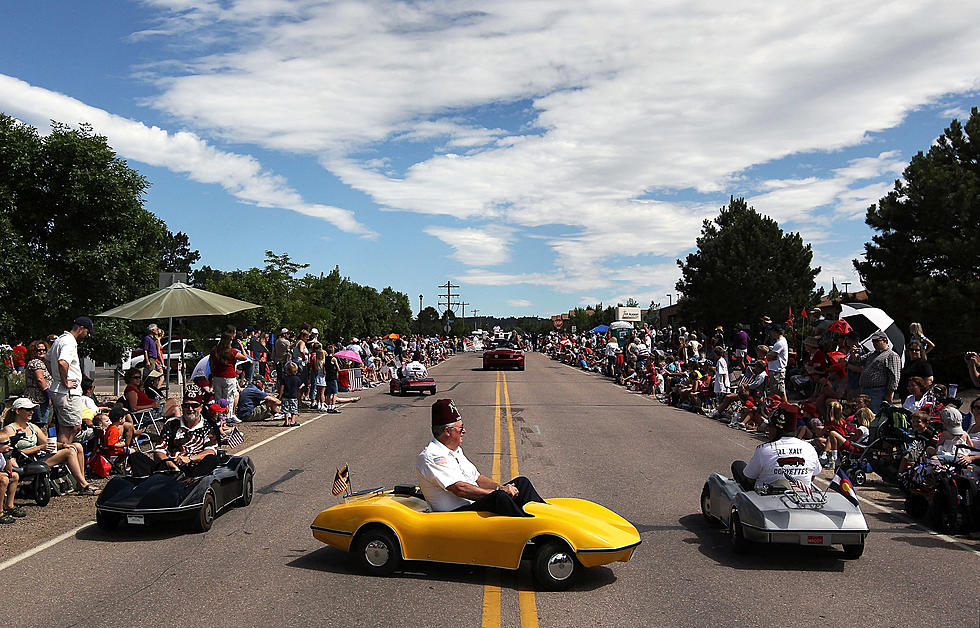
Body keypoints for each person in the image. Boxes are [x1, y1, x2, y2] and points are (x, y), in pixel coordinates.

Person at [416, 399, 544, 516]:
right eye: (461, 428)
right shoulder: (432, 456)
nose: (464, 431)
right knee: (499, 497)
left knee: (522, 483)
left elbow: (477, 478)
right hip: (454, 515)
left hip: (471, 506)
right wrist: (499, 492)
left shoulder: (455, 451)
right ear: (447, 431)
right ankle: (531, 528)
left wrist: (502, 488)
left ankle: (546, 516)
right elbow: (459, 488)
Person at [3, 398, 100, 494]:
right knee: (69, 452)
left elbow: (46, 442)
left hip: (37, 458)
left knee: (77, 446)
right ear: (18, 411)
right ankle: (83, 485)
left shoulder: (32, 427)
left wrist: (64, 445)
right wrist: (39, 448)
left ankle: (81, 483)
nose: (32, 412)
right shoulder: (10, 429)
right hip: (23, 462)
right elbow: (11, 452)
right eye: (28, 409)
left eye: (33, 409)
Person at [731, 403, 823, 491]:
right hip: (801, 495)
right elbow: (812, 476)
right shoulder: (809, 448)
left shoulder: (764, 449)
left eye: (770, 427)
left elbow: (750, 478)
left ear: (776, 429)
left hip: (767, 497)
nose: (768, 431)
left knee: (737, 465)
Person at [152, 384, 220, 475]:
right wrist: (170, 464)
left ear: (201, 407)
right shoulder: (171, 424)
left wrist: (191, 458)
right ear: (182, 406)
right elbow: (159, 450)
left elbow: (211, 451)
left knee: (212, 459)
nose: (190, 409)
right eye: (186, 405)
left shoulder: (208, 427)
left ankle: (192, 483)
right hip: (173, 468)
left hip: (197, 469)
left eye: (194, 405)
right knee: (136, 457)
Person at [47, 316, 94, 446]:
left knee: (66, 426)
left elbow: (47, 359)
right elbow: (62, 362)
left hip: (60, 389)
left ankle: (64, 457)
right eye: (87, 331)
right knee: (73, 428)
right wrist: (64, 380)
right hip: (67, 392)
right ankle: (65, 456)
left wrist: (55, 377)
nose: (87, 335)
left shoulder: (60, 339)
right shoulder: (69, 342)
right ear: (81, 328)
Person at [210, 326, 248, 422]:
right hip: (229, 376)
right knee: (229, 397)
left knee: (218, 397)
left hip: (217, 376)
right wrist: (242, 347)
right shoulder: (232, 351)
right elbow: (244, 357)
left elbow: (211, 364)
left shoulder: (215, 351)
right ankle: (227, 416)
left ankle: (218, 415)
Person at [858, 331, 902, 410]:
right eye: (873, 341)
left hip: (879, 391)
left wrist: (890, 393)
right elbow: (858, 361)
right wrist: (854, 352)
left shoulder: (891, 355)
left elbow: (894, 376)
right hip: (866, 390)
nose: (874, 343)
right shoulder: (871, 354)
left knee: (874, 415)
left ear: (885, 340)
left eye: (877, 341)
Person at [23, 340, 52, 425]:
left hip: (39, 398)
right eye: (39, 350)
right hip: (38, 399)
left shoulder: (42, 362)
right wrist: (48, 394)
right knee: (40, 424)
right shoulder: (36, 362)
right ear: (33, 351)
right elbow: (40, 379)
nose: (42, 352)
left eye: (44, 350)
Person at [0, 433, 23, 523]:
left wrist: (8, 457)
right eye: (5, 443)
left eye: (9, 442)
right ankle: (0, 512)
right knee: (4, 480)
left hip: (2, 474)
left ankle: (9, 505)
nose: (8, 445)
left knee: (15, 476)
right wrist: (4, 475)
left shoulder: (2, 454)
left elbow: (8, 471)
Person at [278, 362, 304, 426]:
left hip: (285, 396)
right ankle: (293, 421)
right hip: (294, 396)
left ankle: (286, 421)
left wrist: (280, 395)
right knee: (294, 409)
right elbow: (299, 387)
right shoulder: (297, 379)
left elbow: (282, 387)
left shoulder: (285, 378)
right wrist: (302, 385)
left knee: (285, 409)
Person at [766, 325, 788, 399]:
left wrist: (767, 354)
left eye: (772, 331)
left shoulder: (779, 343)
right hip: (777, 369)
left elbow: (771, 357)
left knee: (778, 391)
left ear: (776, 332)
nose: (771, 333)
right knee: (778, 391)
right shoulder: (781, 341)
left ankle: (784, 406)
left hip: (777, 370)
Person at [324, 345, 341, 414]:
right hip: (333, 376)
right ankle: (333, 406)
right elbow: (338, 368)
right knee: (335, 392)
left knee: (328, 392)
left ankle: (329, 406)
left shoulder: (325, 358)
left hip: (327, 376)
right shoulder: (333, 359)